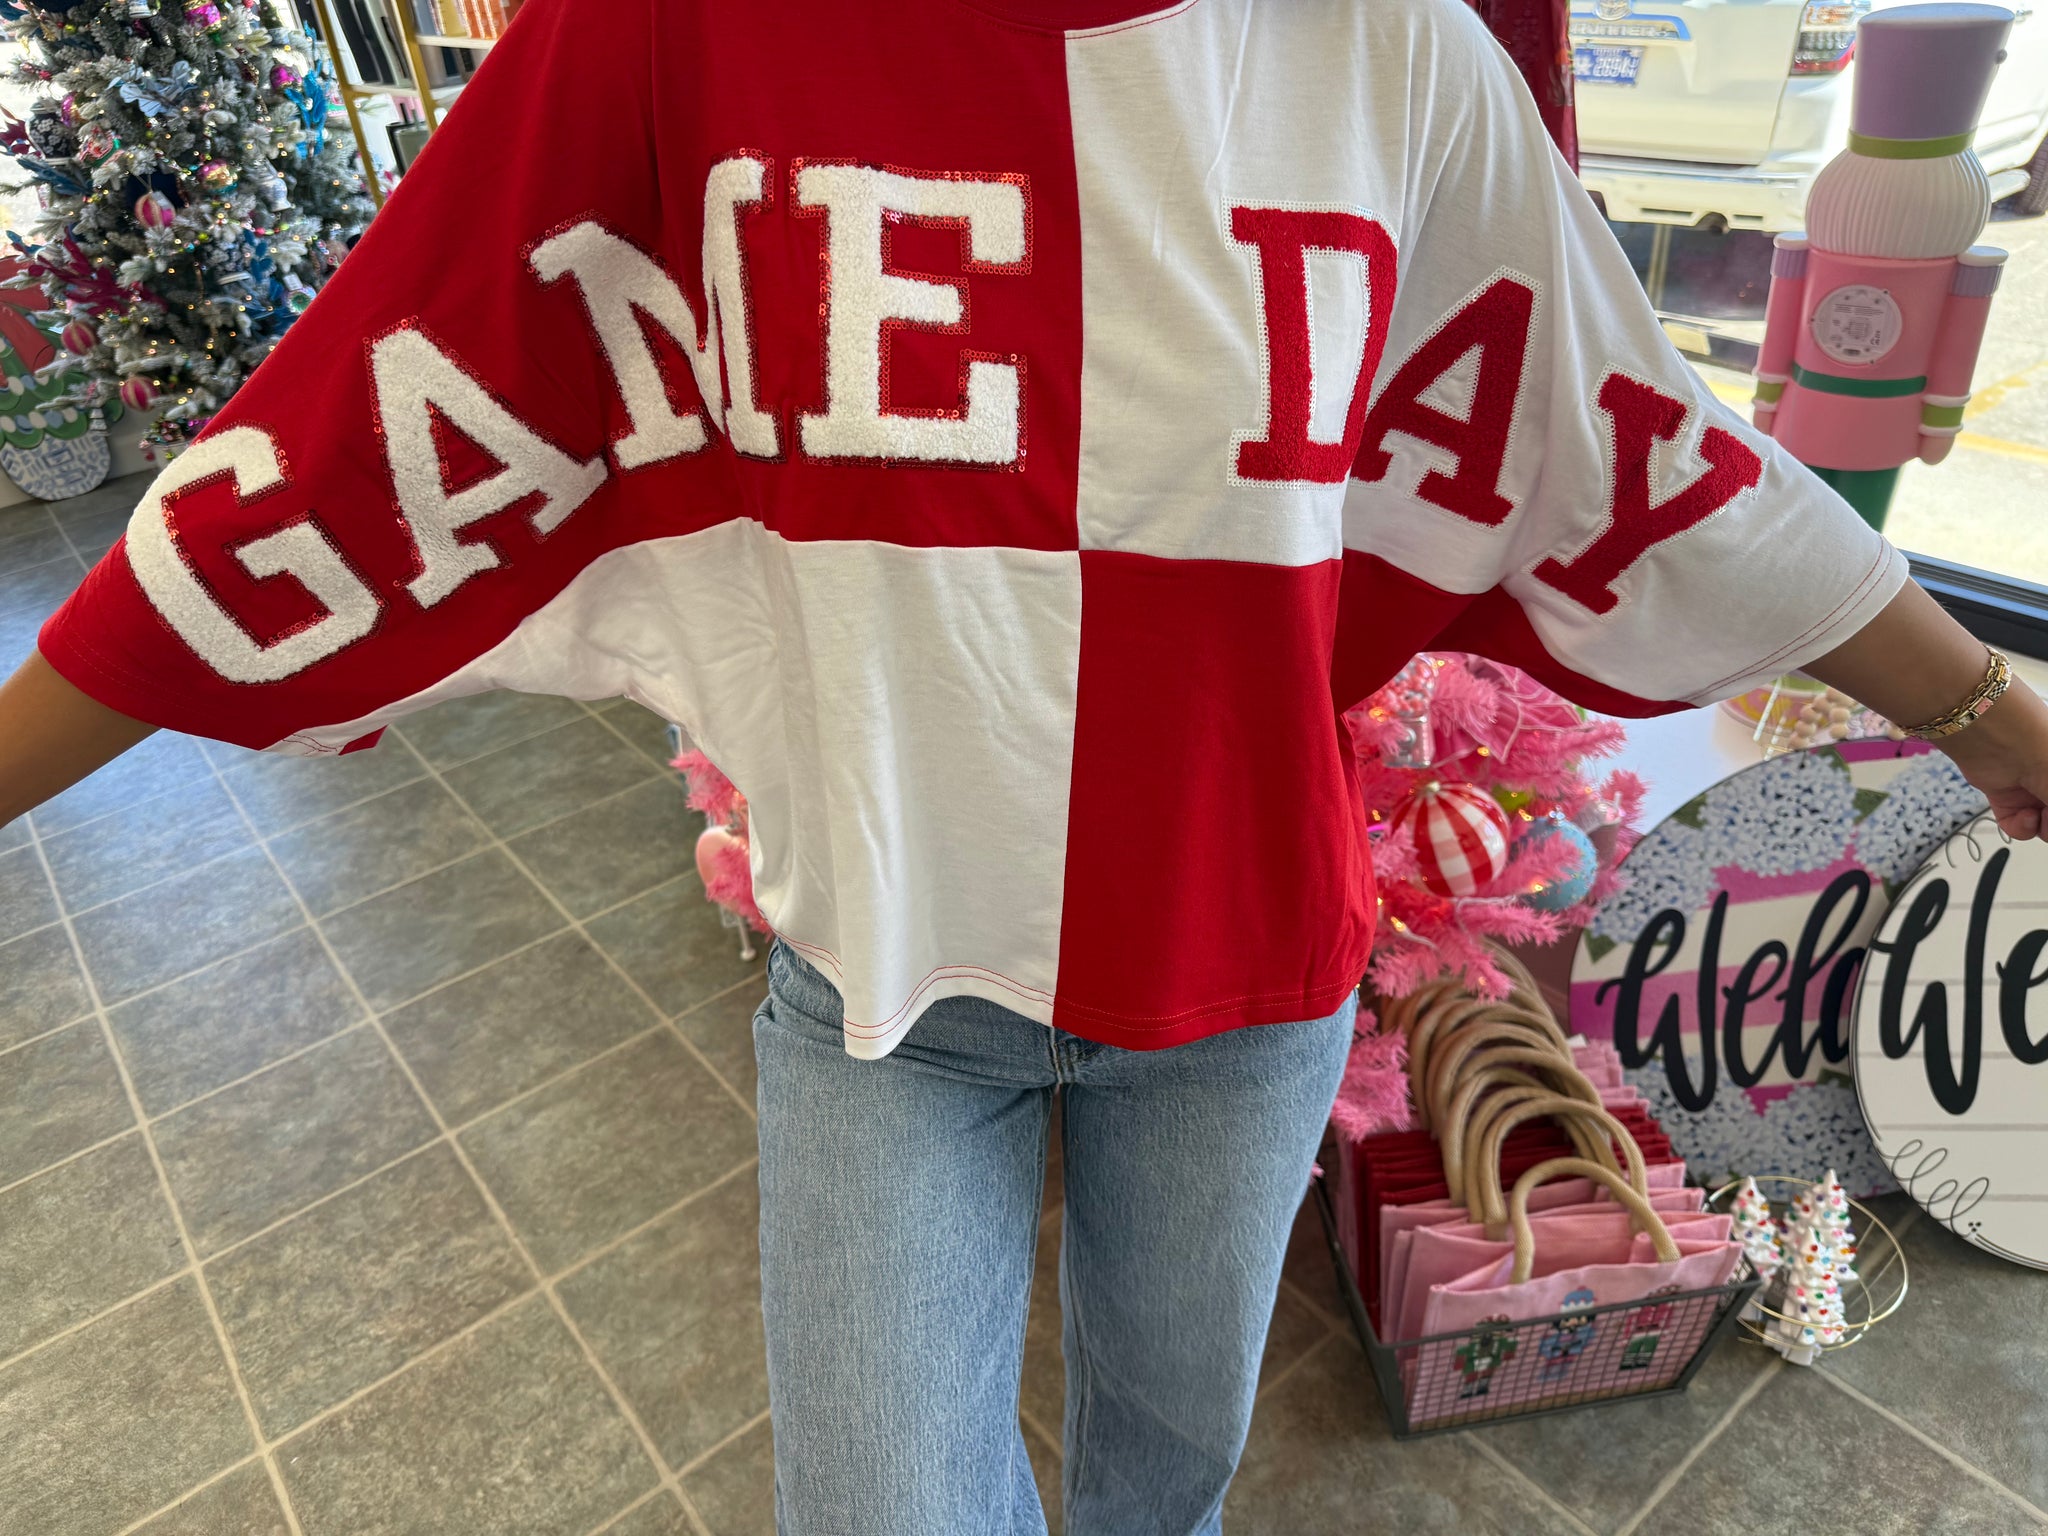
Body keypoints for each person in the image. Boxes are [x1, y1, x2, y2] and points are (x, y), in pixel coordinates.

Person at [2, 1, 2043, 1531]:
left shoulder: (1381, 42)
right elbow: (339, 451)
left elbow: (1641, 447)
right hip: (885, 995)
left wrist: (1988, 718)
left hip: (1242, 975)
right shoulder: (667, 30)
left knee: (1167, 1482)